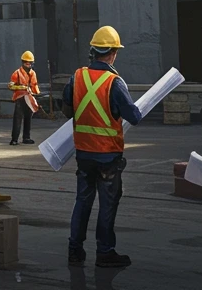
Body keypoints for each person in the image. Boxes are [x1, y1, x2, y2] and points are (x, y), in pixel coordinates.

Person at [63, 26, 142, 269]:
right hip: (108, 155)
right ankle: (105, 252)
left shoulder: (77, 77)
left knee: (82, 202)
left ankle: (75, 251)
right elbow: (134, 116)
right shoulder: (114, 83)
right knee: (108, 204)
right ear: (113, 53)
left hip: (84, 154)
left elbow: (67, 109)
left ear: (94, 51)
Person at [8, 51, 39, 145]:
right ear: (23, 62)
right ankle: (14, 139)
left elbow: (34, 85)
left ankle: (26, 137)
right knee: (17, 118)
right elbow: (10, 86)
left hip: (29, 98)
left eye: (30, 63)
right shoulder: (17, 73)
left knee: (28, 118)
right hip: (20, 98)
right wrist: (21, 87)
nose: (28, 65)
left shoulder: (33, 73)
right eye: (26, 63)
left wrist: (36, 93)